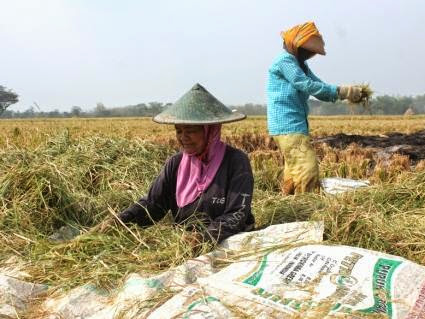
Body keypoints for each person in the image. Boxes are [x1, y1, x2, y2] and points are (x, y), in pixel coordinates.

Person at [106, 83, 255, 245]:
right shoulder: (175, 164)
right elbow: (153, 204)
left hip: (230, 244)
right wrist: (121, 221)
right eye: (179, 131)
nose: (183, 137)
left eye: (190, 131)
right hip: (185, 244)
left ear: (210, 131)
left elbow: (236, 213)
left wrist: (206, 237)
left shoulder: (236, 161)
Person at [267, 22, 364, 194]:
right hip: (287, 124)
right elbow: (305, 84)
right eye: (308, 50)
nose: (310, 55)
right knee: (307, 168)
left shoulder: (300, 64)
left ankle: (288, 202)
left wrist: (344, 92)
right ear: (296, 46)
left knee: (294, 168)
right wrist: (340, 91)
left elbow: (317, 85)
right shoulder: (285, 61)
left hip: (294, 124)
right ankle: (307, 207)